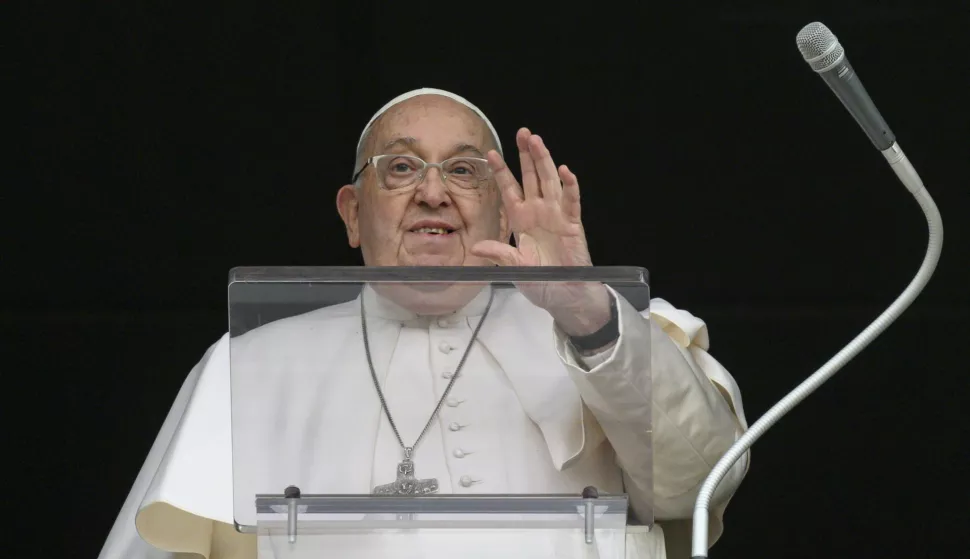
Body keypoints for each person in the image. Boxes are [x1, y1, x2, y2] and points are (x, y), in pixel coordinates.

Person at [98, 88, 749, 559]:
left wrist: (589, 316)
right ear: (353, 213)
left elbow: (695, 486)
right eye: (402, 167)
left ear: (503, 213)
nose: (433, 193)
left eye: (464, 171)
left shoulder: (604, 326)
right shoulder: (251, 364)